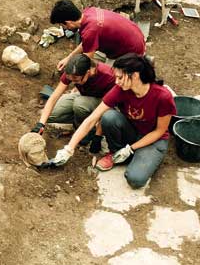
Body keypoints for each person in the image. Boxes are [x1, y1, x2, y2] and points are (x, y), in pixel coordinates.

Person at [50, 53, 175, 189]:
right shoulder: (120, 90)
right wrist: (69, 148)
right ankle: (115, 152)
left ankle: (137, 156)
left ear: (135, 75)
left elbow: (159, 131)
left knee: (135, 180)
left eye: (120, 77)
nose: (116, 82)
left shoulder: (163, 96)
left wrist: (131, 149)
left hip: (153, 139)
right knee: (109, 116)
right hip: (131, 131)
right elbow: (92, 119)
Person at [49, 0, 146, 71]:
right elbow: (86, 43)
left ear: (68, 22)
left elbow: (85, 62)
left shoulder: (90, 31)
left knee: (108, 78)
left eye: (62, 25)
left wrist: (79, 81)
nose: (65, 28)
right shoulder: (89, 11)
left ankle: (140, 65)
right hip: (136, 38)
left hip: (132, 52)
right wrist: (69, 57)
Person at [31, 54, 115, 136]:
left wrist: (98, 135)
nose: (73, 83)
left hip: (103, 103)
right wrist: (41, 124)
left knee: (80, 104)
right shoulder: (71, 72)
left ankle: (87, 131)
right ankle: (77, 121)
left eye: (76, 80)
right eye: (71, 80)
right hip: (84, 96)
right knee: (47, 115)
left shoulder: (109, 77)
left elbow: (109, 107)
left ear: (87, 72)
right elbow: (54, 96)